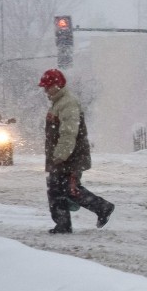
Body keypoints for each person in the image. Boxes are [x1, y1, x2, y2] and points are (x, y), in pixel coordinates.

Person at [39, 68, 114, 234]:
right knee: (56, 188)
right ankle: (63, 224)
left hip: (70, 156)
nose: (45, 90)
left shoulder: (68, 103)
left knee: (69, 189)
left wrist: (61, 154)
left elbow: (69, 132)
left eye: (47, 86)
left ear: (57, 86)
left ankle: (102, 207)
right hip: (64, 155)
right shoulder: (59, 103)